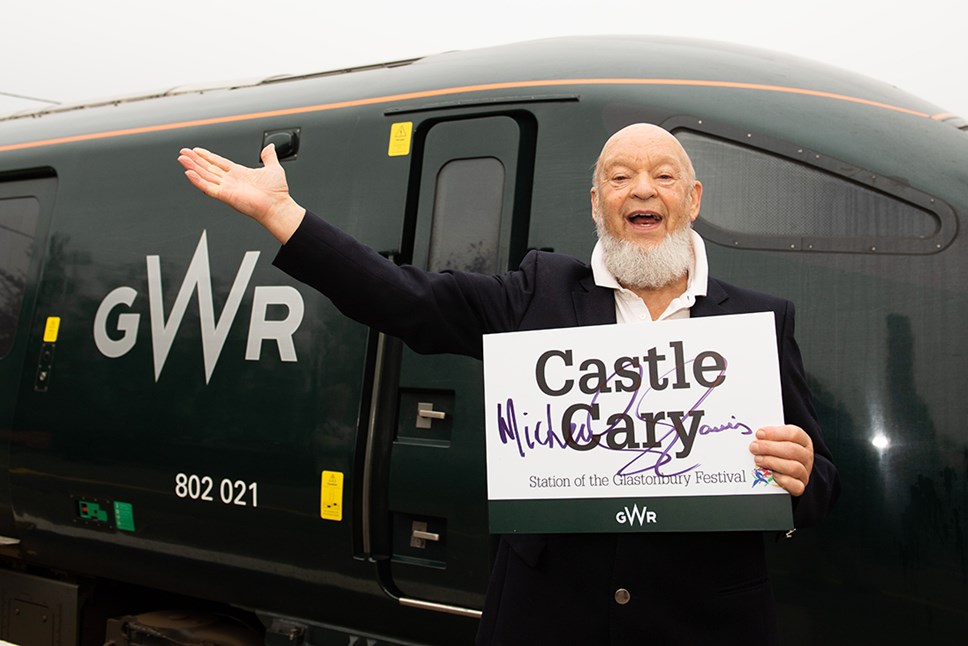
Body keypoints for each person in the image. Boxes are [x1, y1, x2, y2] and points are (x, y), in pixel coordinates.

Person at [178, 124, 839, 645]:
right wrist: (284, 214)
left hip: (704, 625)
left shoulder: (757, 320)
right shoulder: (539, 293)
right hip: (547, 622)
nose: (643, 189)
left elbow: (820, 485)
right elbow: (405, 299)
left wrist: (803, 476)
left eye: (664, 176)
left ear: (691, 200)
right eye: (620, 176)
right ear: (597, 202)